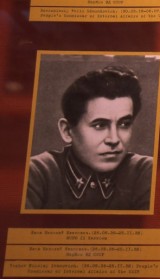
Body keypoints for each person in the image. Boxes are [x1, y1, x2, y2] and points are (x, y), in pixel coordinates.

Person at [25, 65, 153, 210]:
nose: (114, 139)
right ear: (67, 131)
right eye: (100, 125)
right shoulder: (38, 173)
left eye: (124, 124)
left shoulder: (144, 171)